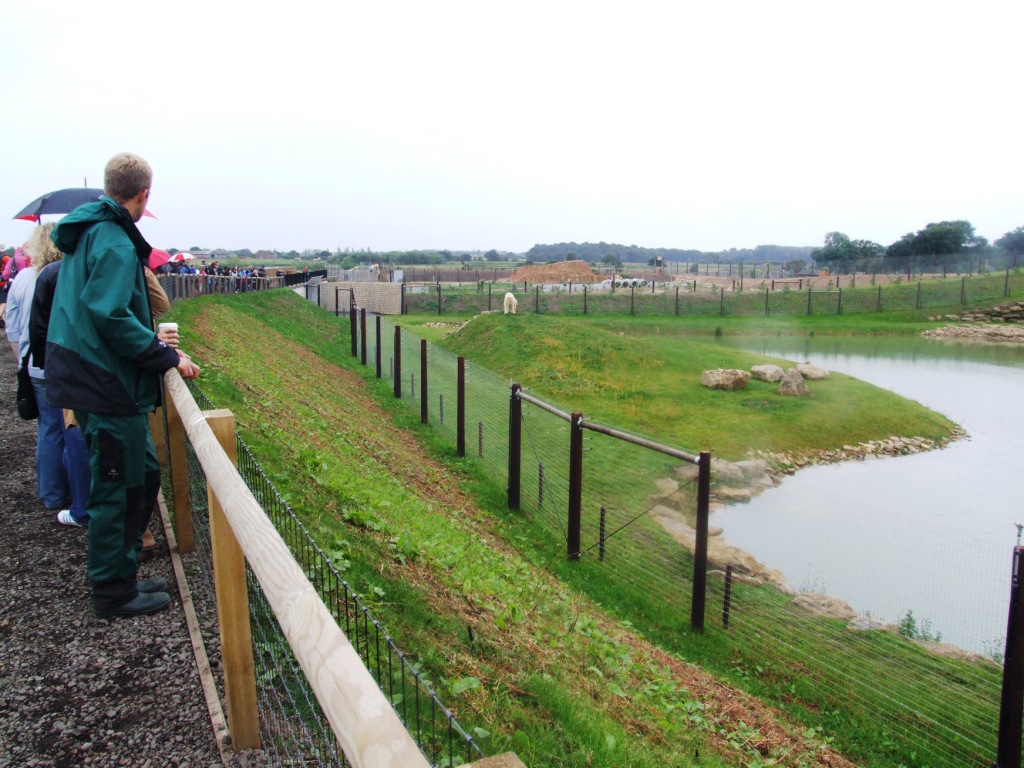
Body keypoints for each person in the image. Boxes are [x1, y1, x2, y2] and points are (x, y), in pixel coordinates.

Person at [46, 152, 200, 619]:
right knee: (118, 485)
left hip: (94, 376)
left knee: (143, 474)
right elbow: (112, 314)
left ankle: (122, 571)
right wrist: (164, 355)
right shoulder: (111, 240)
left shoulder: (91, 232)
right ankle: (112, 591)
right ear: (144, 193)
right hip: (106, 384)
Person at [6, 225, 71, 512]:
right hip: (60, 365)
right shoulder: (62, 276)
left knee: (48, 430)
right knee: (72, 429)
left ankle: (51, 494)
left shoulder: (20, 278)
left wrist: (23, 361)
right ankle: (77, 490)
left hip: (32, 365)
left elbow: (12, 327)